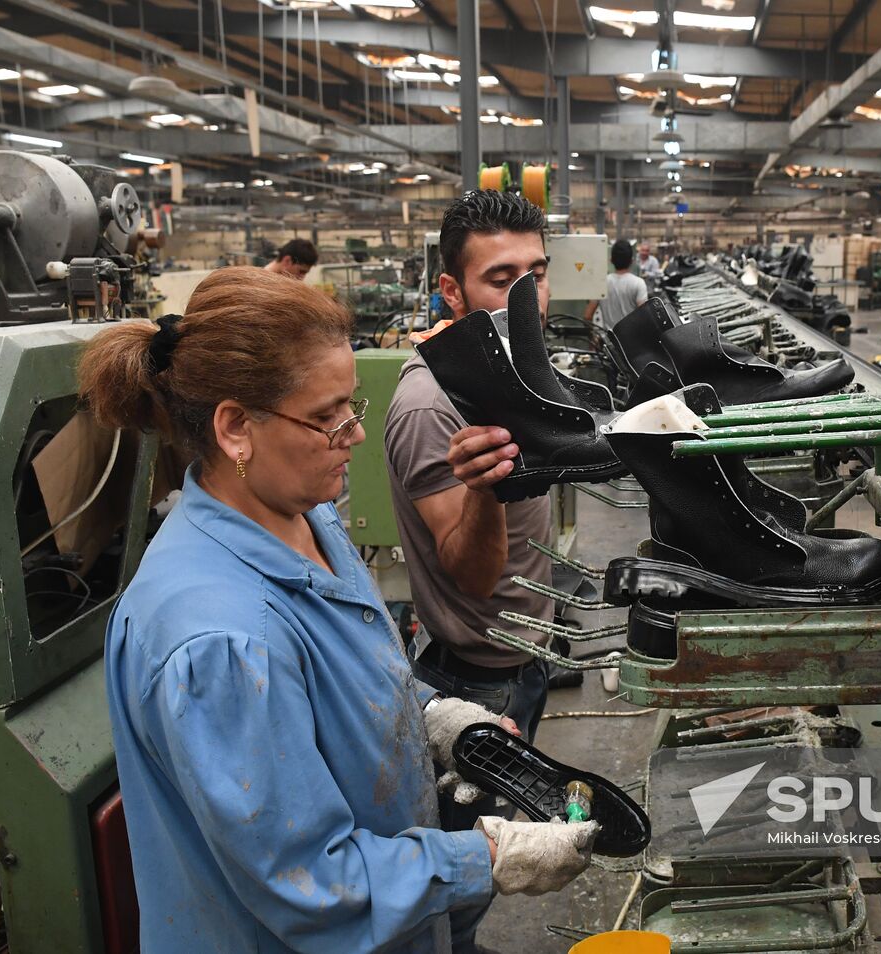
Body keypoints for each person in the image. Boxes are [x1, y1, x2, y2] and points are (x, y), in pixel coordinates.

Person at [80, 267, 595, 954]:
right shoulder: (220, 641)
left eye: (351, 406)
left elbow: (343, 669)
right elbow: (311, 884)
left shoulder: (305, 517)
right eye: (326, 417)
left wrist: (430, 713)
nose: (353, 434)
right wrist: (487, 858)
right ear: (236, 428)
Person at [384, 191, 560, 954]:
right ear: (451, 290)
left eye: (538, 273)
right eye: (501, 278)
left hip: (528, 658)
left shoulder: (516, 370)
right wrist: (487, 487)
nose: (527, 296)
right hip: (479, 676)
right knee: (463, 861)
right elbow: (469, 571)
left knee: (489, 848)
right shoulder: (431, 406)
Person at [585, 239, 649, 332]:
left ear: (611, 260)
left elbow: (587, 316)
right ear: (631, 261)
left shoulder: (601, 283)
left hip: (609, 342)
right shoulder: (638, 283)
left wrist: (593, 338)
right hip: (631, 342)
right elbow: (644, 317)